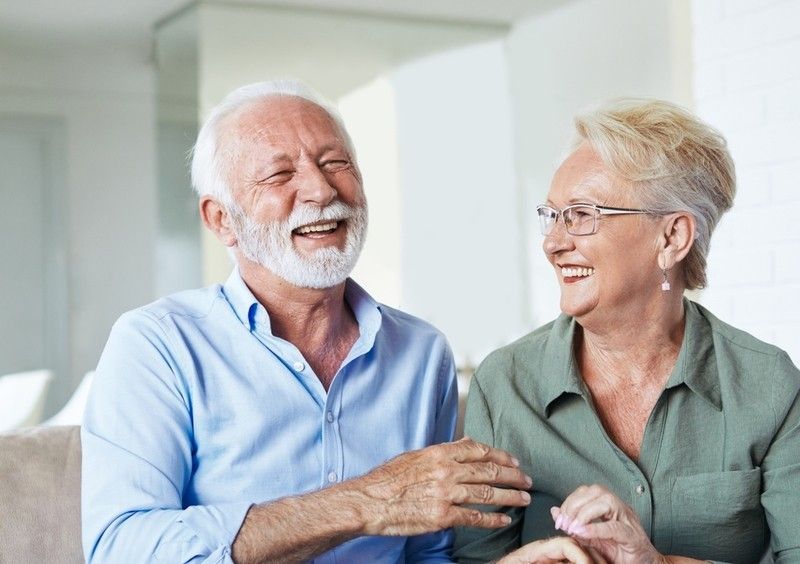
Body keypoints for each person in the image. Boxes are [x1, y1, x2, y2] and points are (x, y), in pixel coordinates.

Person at [80, 80, 535, 563]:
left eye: (335, 163)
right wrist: (365, 502)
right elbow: (120, 550)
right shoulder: (158, 345)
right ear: (221, 220)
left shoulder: (422, 352)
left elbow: (431, 552)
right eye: (279, 174)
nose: (321, 190)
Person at [453, 99, 800, 563]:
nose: (554, 243)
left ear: (672, 238)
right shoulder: (505, 383)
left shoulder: (768, 383)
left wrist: (657, 563)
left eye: (581, 214)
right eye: (552, 215)